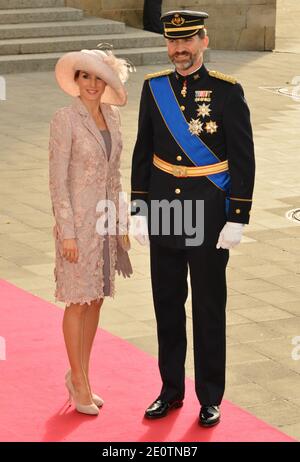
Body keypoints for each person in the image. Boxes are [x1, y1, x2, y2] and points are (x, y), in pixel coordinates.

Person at [130, 10, 255, 427]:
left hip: (208, 214)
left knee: (207, 307)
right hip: (166, 210)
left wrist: (237, 215)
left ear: (203, 39)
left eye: (187, 41)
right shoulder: (155, 89)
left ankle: (209, 396)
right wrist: (138, 208)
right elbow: (142, 150)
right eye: (172, 42)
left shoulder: (226, 91)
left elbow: (242, 158)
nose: (179, 50)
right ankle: (170, 390)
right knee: (167, 304)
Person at [49, 47, 132, 416]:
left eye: (99, 78)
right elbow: (57, 182)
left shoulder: (113, 119)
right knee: (77, 301)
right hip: (77, 227)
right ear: (76, 81)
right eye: (85, 77)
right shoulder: (64, 120)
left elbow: (115, 175)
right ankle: (78, 381)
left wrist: (121, 224)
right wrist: (66, 231)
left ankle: (81, 374)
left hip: (103, 225)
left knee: (95, 299)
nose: (92, 84)